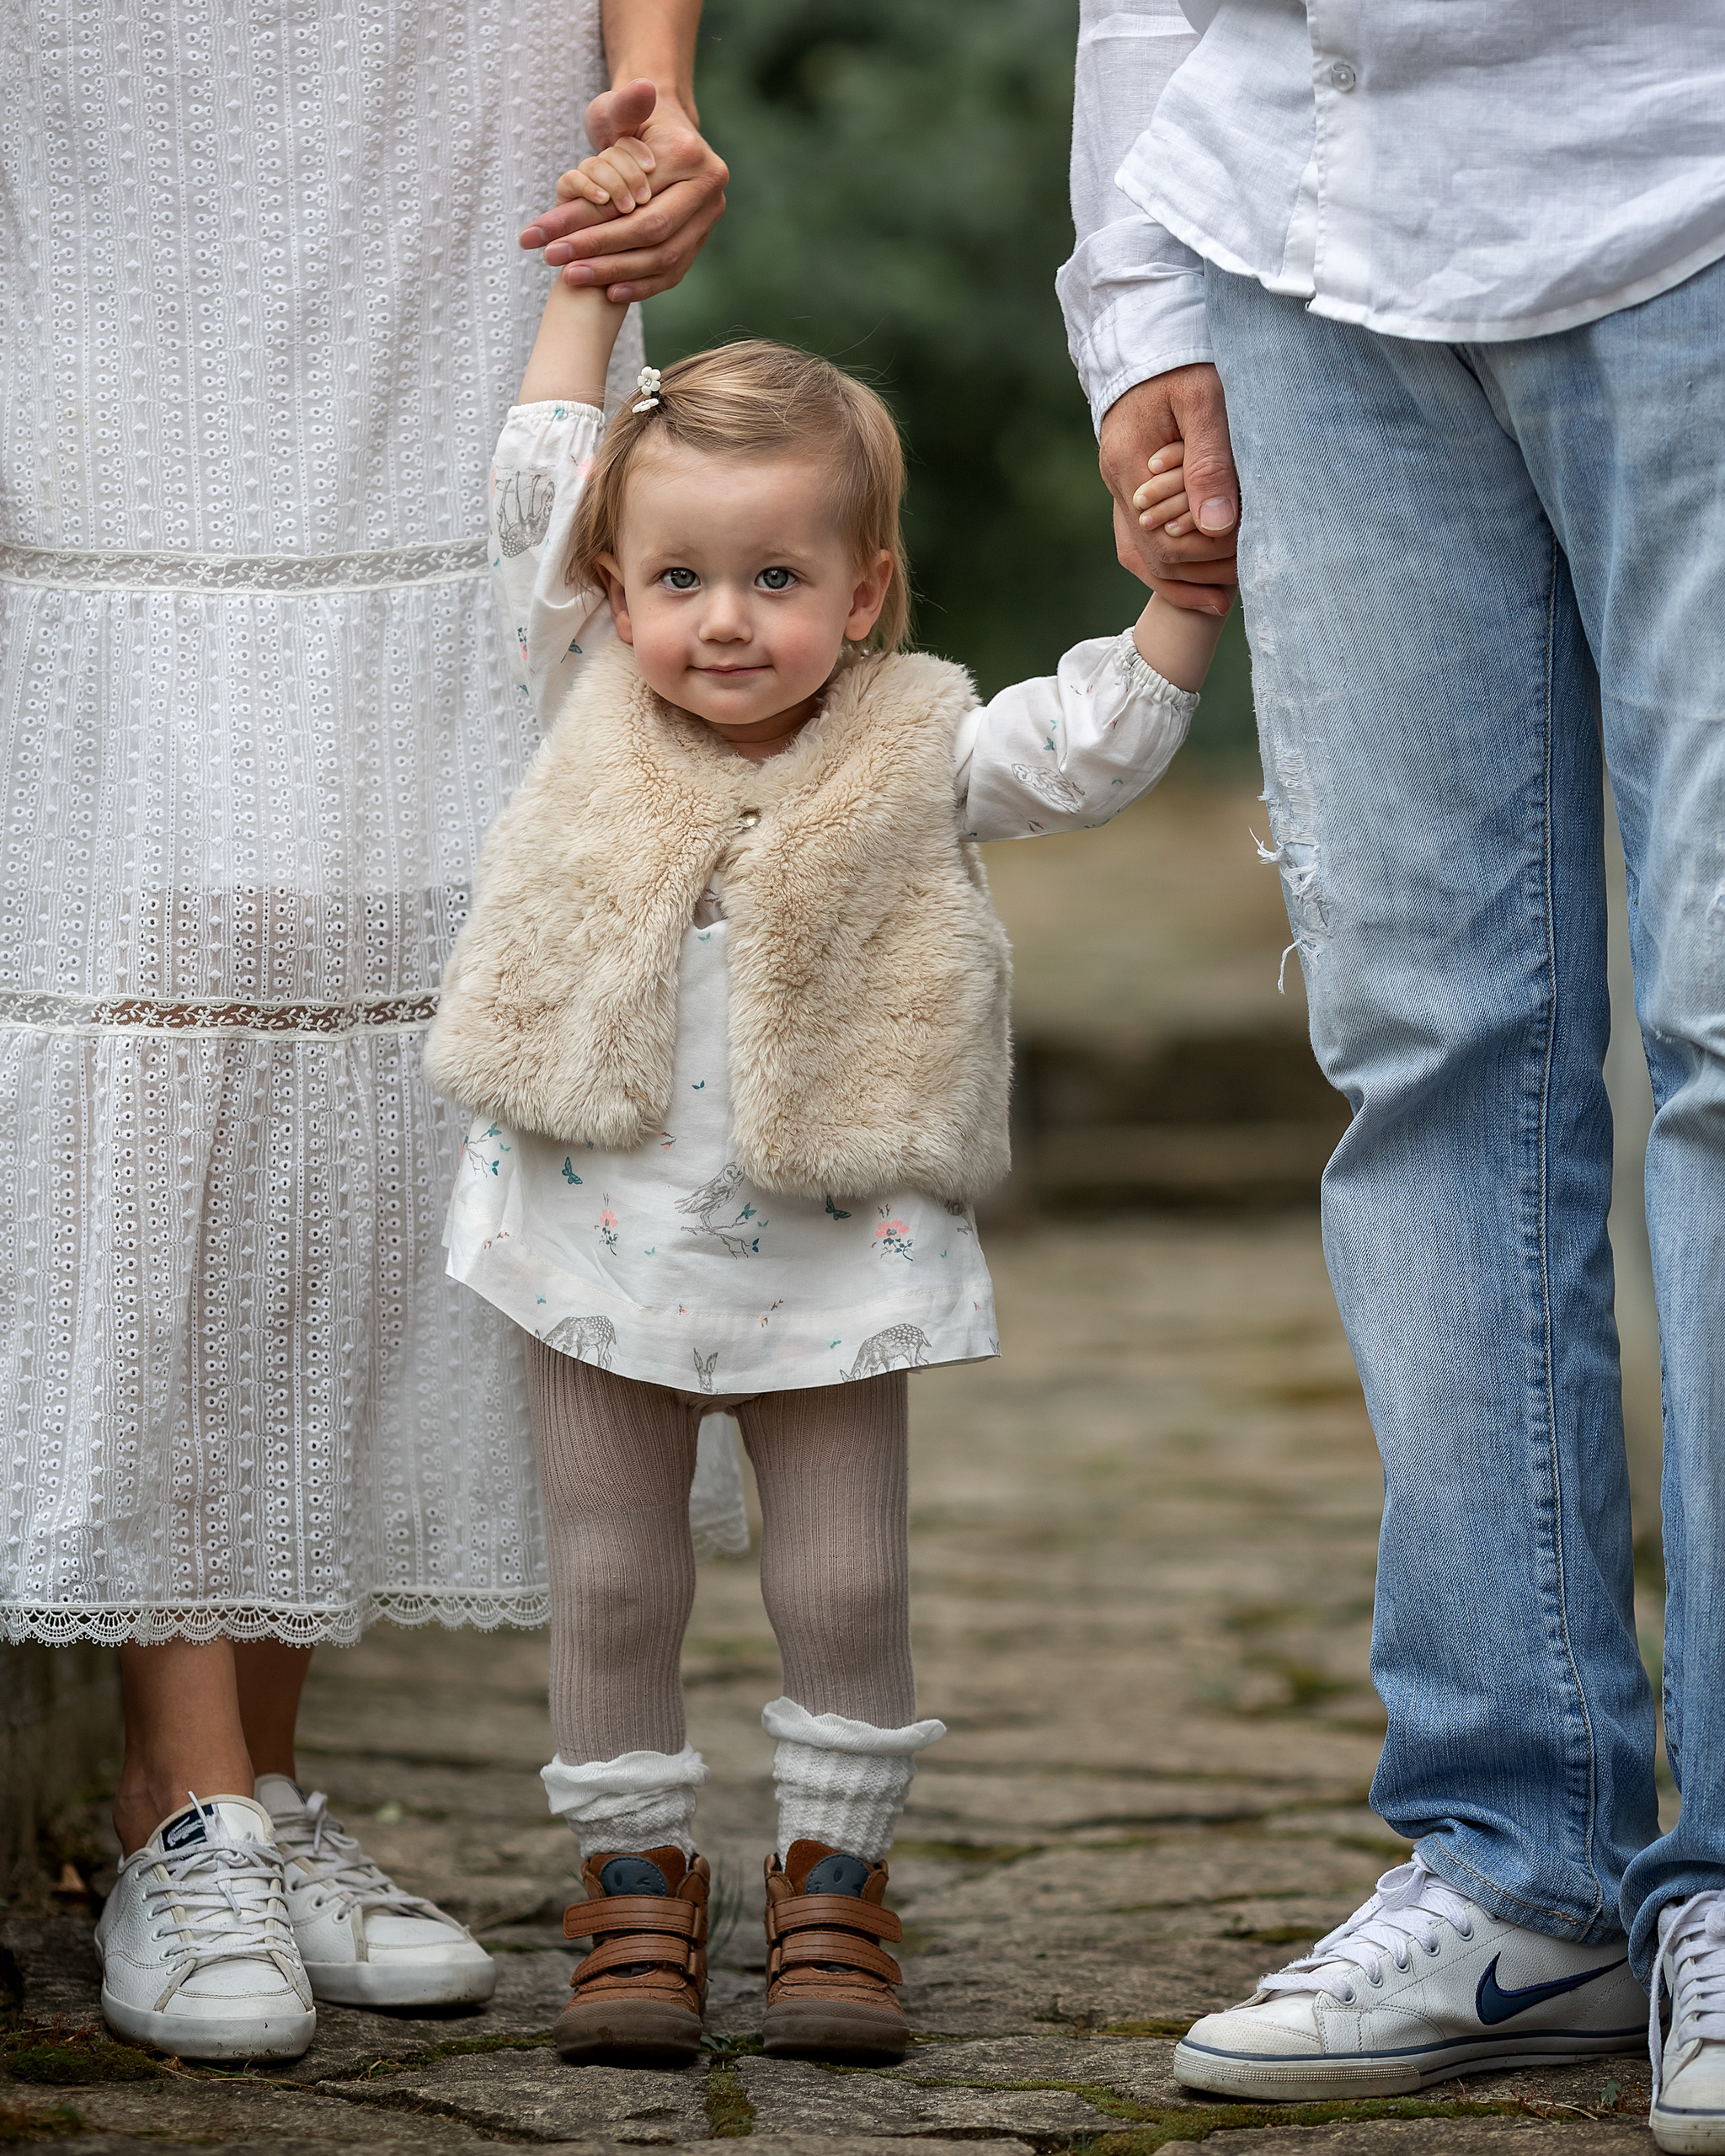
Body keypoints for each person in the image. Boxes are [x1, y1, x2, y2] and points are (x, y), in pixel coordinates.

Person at [420, 130, 1226, 2071]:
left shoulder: (918, 740)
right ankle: (630, 1881)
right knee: (615, 1564)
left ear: (862, 593)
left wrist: (1184, 598)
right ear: (610, 590)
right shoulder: (580, 695)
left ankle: (833, 1877)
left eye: (774, 576)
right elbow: (545, 467)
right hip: (594, 1210)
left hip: (826, 1220)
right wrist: (595, 279)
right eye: (677, 575)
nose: (719, 618)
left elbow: (1092, 740)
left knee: (842, 1571)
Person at [1, 0, 723, 2064]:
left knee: (377, 952)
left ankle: (261, 1784)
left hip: (448, 121)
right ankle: (182, 1778)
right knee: (154, 959)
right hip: (108, 114)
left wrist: (656, 79)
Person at [1057, 3, 1725, 2143]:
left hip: (1687, 177)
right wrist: (1141, 279)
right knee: (1428, 1053)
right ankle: (1517, 1858)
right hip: (1298, 230)